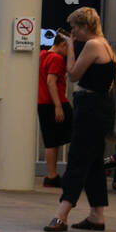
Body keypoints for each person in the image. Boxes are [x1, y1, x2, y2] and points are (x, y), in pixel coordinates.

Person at [45, 7, 113, 232]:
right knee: (93, 163)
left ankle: (61, 214)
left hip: (90, 108)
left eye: (74, 27)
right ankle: (97, 215)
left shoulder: (93, 45)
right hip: (100, 108)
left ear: (85, 26)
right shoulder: (105, 44)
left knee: (77, 160)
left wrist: (72, 47)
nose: (72, 32)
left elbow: (73, 74)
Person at [38, 31, 72, 188]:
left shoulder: (42, 55)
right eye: (69, 48)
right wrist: (58, 106)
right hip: (56, 102)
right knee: (78, 135)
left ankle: (51, 175)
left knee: (51, 141)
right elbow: (52, 81)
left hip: (43, 103)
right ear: (63, 44)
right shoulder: (57, 59)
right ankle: (71, 173)